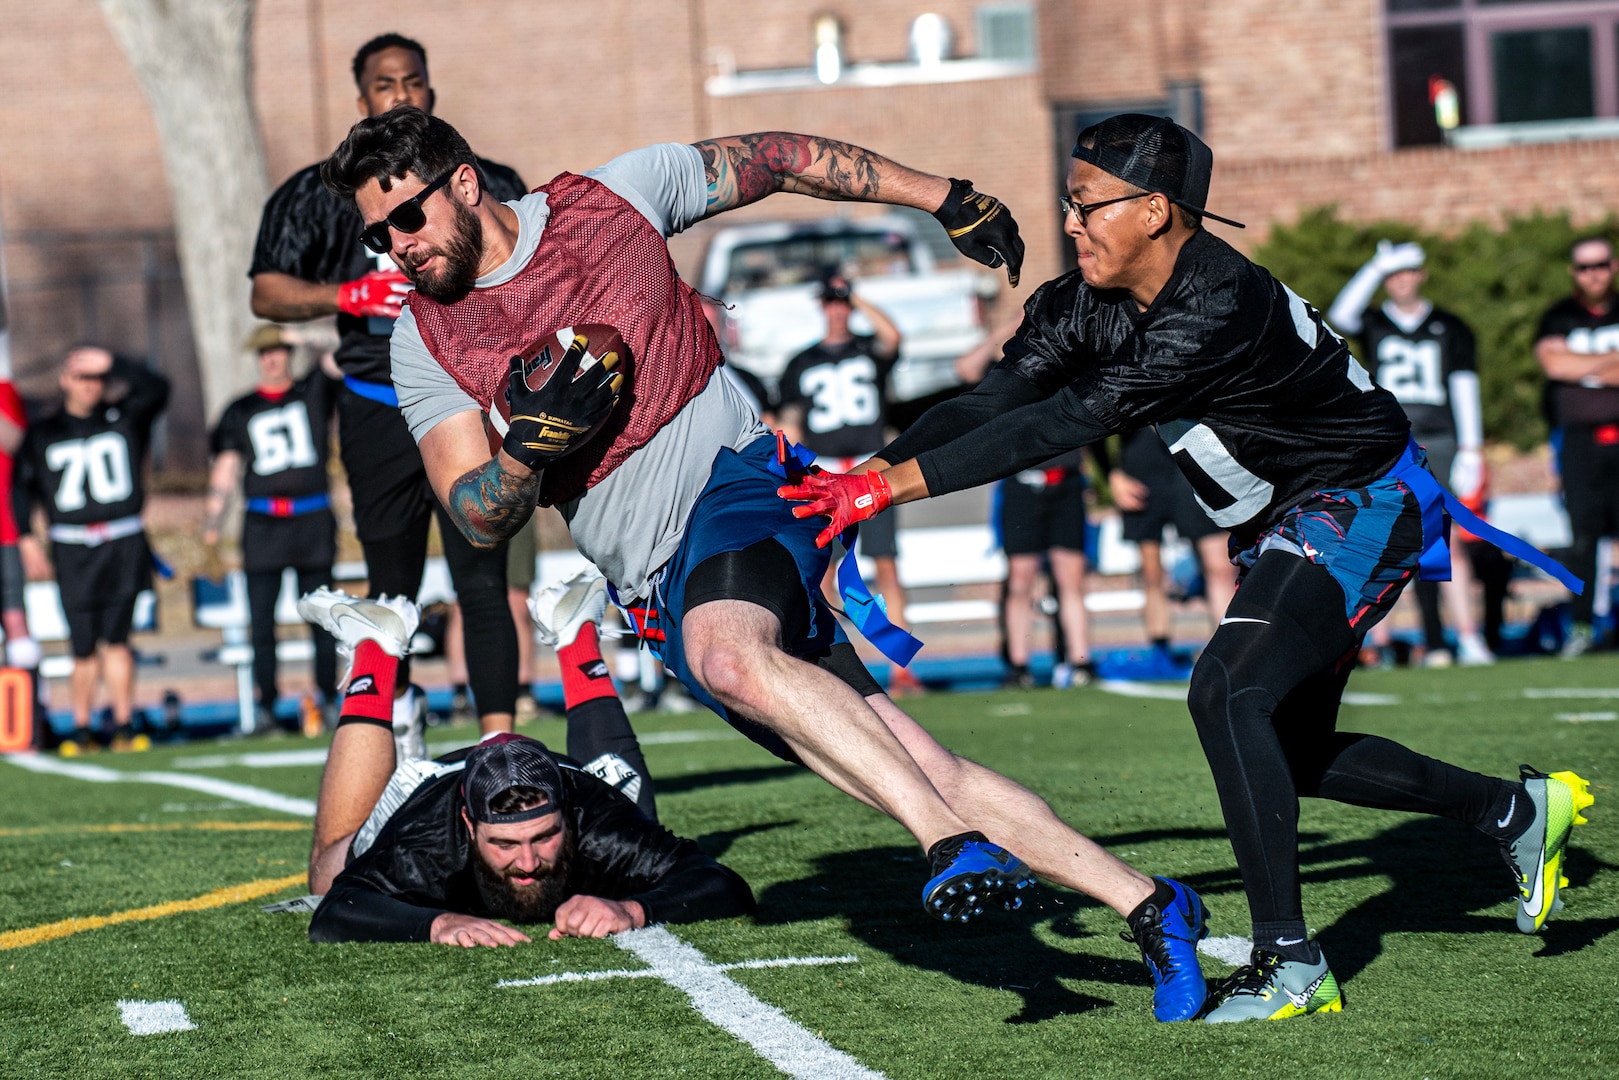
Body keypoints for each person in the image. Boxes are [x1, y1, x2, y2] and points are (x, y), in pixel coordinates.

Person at [319, 108, 1213, 1023]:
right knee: (910, 759)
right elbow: (472, 514)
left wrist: (941, 196)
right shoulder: (422, 340)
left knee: (732, 657)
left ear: (463, 182)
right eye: (376, 235)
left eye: (407, 219)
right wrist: (523, 458)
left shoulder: (610, 201)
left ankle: (947, 845)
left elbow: (777, 160)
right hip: (656, 587)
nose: (395, 248)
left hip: (740, 484)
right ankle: (1152, 906)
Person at [784, 113, 1595, 1022]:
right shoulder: (1086, 298)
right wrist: (864, 475)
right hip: (1290, 517)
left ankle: (1290, 962)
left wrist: (891, 488)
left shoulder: (1217, 303)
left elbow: (1067, 424)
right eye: (1068, 203)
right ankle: (1512, 813)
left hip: (1359, 501)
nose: (1071, 222)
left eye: (1087, 205)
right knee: (1287, 751)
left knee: (1225, 694)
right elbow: (998, 400)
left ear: (1156, 210)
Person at [249, 32, 526, 734]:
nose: (400, 95)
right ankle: (396, 744)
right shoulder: (317, 193)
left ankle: (501, 744)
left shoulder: (481, 176)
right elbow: (268, 293)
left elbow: (530, 264)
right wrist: (346, 296)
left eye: (411, 82)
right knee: (389, 592)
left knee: (483, 587)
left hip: (470, 405)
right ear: (362, 98)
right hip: (378, 406)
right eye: (384, 84)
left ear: (430, 91)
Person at [300, 586, 707, 944]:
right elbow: (336, 905)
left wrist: (632, 911)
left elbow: (715, 879)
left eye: (543, 837)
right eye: (504, 844)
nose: (527, 864)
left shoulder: (599, 824)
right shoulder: (427, 842)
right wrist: (435, 923)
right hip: (435, 782)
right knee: (325, 875)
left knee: (638, 828)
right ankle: (375, 650)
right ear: (468, 825)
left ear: (569, 814)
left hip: (578, 778)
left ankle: (577, 635)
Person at [1329, 241, 1492, 667]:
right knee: (1392, 541)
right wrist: (1372, 267)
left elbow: (1464, 387)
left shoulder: (1449, 326)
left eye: (1406, 272)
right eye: (1392, 276)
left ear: (1421, 275)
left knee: (1444, 542)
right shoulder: (1375, 321)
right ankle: (1405, 641)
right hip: (1391, 441)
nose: (1400, 282)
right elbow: (1340, 316)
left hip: (1439, 439)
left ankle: (1464, 636)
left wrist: (1472, 447)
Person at [13, 346, 169, 753]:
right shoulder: (44, 433)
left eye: (96, 378)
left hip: (122, 544)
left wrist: (115, 362)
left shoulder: (125, 417)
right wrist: (28, 540)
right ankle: (80, 728)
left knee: (117, 640)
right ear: (65, 380)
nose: (89, 386)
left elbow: (157, 389)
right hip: (73, 549)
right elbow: (20, 489)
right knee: (82, 646)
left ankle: (123, 724)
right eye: (81, 377)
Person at [776, 274, 919, 695]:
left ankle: (900, 665)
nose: (837, 309)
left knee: (886, 564)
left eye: (842, 302)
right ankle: (842, 666)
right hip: (825, 475)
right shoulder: (801, 361)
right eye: (831, 301)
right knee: (822, 575)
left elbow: (893, 337)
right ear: (821, 306)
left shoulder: (867, 348)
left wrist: (856, 296)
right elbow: (789, 421)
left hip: (869, 470)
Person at [203, 325, 341, 732]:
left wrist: (300, 336)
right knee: (261, 622)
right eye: (264, 352)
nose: (272, 358)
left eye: (278, 350)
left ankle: (327, 698)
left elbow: (339, 349)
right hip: (263, 524)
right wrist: (211, 525)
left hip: (312, 519)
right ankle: (266, 707)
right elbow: (225, 470)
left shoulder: (312, 391)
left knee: (321, 617)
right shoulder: (241, 408)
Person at [1534, 235, 1619, 658]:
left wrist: (1580, 366)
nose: (1594, 273)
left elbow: (1568, 364)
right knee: (1583, 539)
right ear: (1574, 272)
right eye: (1585, 266)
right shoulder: (1557, 316)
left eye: (1601, 264)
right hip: (1581, 445)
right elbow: (1554, 364)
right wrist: (1610, 361)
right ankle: (1582, 626)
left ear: (1613, 266)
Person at [1111, 428, 1234, 666]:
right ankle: (1160, 653)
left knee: (1220, 568)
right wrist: (1113, 473)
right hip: (1141, 468)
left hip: (1193, 462)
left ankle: (1230, 652)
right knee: (1151, 573)